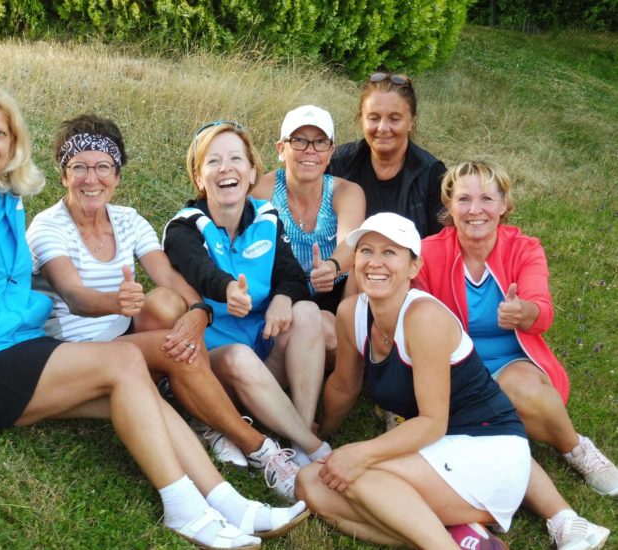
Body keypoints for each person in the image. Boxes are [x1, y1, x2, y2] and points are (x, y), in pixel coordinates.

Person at [0, 83, 309, 549]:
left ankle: (229, 502)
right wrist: (117, 302)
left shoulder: (7, 200)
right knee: (126, 361)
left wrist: (196, 310)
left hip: (26, 346)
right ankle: (183, 507)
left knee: (149, 374)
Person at [27, 114, 294, 478]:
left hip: (124, 340)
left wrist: (198, 309)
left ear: (117, 176)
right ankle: (258, 448)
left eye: (103, 167)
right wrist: (115, 302)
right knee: (177, 351)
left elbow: (167, 275)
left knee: (169, 304)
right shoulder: (47, 226)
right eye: (79, 168)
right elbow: (74, 296)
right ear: (63, 175)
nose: (91, 179)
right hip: (73, 353)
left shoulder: (128, 220)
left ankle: (203, 414)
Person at [296, 212, 532, 549]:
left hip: (486, 449)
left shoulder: (424, 317)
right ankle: (452, 535)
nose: (375, 262)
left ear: (413, 267)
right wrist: (323, 435)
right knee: (310, 483)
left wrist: (359, 453)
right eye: (366, 251)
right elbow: (344, 386)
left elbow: (433, 422)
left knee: (356, 474)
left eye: (390, 252)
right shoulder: (351, 312)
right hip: (436, 450)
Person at [415, 160, 614, 549]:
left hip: (511, 362)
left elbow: (544, 311)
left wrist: (524, 312)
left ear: (504, 205)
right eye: (464, 199)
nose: (475, 210)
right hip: (456, 370)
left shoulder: (524, 248)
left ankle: (574, 447)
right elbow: (413, 313)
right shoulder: (428, 252)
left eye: (487, 199)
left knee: (519, 389)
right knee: (492, 432)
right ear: (449, 206)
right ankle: (561, 517)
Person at [163, 121, 332, 485]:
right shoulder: (183, 226)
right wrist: (227, 289)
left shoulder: (266, 216)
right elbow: (199, 269)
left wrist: (283, 298)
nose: (226, 168)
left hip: (262, 351)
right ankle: (316, 448)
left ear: (252, 172)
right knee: (239, 356)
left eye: (236, 159)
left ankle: (299, 433)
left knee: (306, 311)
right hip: (216, 365)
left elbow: (291, 274)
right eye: (213, 161)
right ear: (199, 177)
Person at [250, 105, 365, 363]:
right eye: (299, 140)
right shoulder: (263, 190)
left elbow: (350, 242)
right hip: (280, 295)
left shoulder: (346, 192)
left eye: (320, 142)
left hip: (331, 295)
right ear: (281, 148)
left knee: (327, 331)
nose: (310, 150)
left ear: (331, 151)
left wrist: (331, 266)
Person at [328, 72, 446, 238]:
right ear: (361, 119)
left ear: (411, 122)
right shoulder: (338, 163)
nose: (383, 128)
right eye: (374, 118)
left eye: (394, 119)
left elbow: (440, 243)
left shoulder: (432, 175)